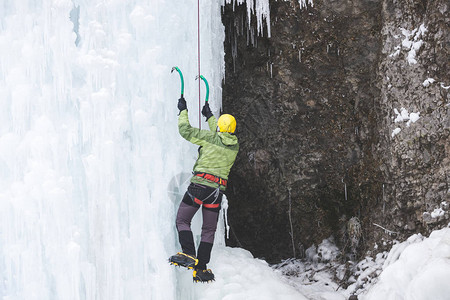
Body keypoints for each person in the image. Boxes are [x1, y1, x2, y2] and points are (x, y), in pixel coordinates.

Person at [169, 96, 239, 283]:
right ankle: (201, 268)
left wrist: (183, 111)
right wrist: (209, 116)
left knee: (182, 220)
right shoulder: (235, 146)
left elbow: (185, 130)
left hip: (199, 186)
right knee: (208, 230)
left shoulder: (210, 138)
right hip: (216, 194)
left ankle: (189, 254)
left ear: (219, 128)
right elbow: (221, 133)